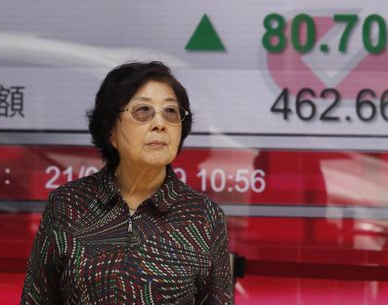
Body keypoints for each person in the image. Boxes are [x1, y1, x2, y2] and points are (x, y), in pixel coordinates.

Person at [21, 61, 234, 304]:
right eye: (143, 110)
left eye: (171, 112)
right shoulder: (68, 203)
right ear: (111, 129)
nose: (160, 123)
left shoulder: (204, 216)